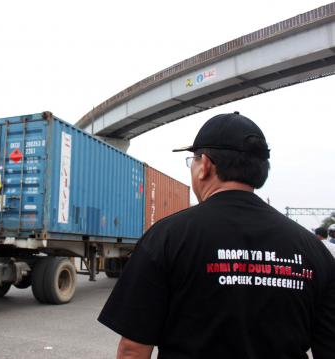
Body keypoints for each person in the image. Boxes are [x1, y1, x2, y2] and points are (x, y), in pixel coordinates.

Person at [98, 112, 335, 358]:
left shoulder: (168, 237)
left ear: (206, 166)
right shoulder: (313, 251)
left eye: (193, 161)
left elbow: (132, 350)